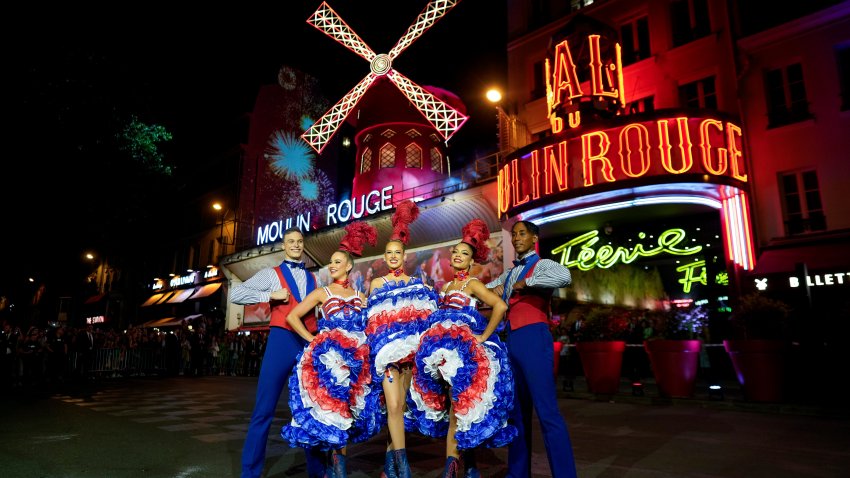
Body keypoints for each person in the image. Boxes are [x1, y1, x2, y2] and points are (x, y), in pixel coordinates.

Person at [407, 219, 517, 478]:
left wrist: (483, 337)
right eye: (455, 252)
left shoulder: (474, 284)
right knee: (453, 409)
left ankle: (452, 469)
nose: (457, 256)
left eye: (463, 253)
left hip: (464, 353)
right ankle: (469, 467)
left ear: (471, 261)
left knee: (460, 407)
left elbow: (500, 307)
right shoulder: (445, 287)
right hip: (439, 352)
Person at [280, 221, 380, 478]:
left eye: (337, 261)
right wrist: (311, 339)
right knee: (329, 413)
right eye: (331, 262)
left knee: (346, 414)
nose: (332, 265)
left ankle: (338, 470)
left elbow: (370, 323)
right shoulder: (322, 292)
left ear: (348, 265)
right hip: (328, 361)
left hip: (355, 363)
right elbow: (293, 316)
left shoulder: (360, 295)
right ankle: (330, 471)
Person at [229, 227, 327, 478]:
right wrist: (269, 294)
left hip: (307, 343)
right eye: (290, 241)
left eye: (299, 241)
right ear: (283, 246)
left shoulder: (315, 278)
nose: (295, 245)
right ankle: (249, 473)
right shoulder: (271, 275)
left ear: (303, 245)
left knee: (311, 411)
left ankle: (317, 472)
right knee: (264, 409)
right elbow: (236, 293)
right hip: (281, 341)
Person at [487, 220, 578, 478]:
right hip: (511, 341)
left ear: (534, 237)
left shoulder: (543, 264)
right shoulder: (508, 273)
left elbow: (565, 275)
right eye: (514, 234)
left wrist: (526, 283)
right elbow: (489, 291)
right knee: (517, 414)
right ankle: (517, 473)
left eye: (522, 234)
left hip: (534, 339)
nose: (516, 238)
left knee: (547, 411)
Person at [365, 199, 439, 478]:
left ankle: (389, 468)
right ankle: (403, 467)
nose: (393, 256)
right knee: (394, 406)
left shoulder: (416, 283)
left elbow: (422, 320)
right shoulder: (376, 284)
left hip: (409, 356)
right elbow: (370, 321)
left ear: (404, 255)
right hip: (385, 355)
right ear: (384, 257)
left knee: (401, 409)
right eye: (389, 253)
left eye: (398, 252)